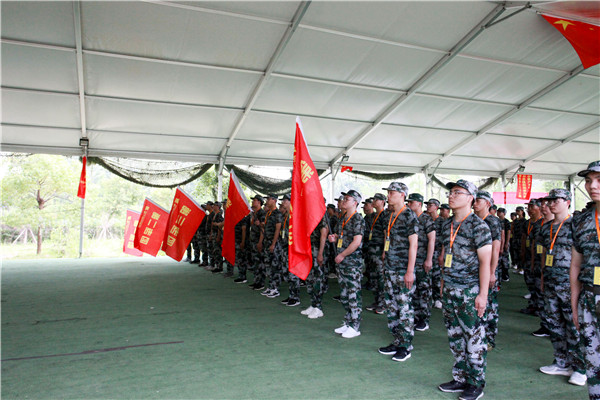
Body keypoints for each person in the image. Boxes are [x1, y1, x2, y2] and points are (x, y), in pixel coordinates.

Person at [438, 179, 491, 400]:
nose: (451, 196)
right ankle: (460, 377)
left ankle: (476, 383)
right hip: (450, 289)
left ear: (471, 198)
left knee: (474, 338)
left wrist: (483, 295)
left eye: (457, 192)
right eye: (450, 192)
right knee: (455, 336)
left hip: (470, 290)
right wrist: (443, 283)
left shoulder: (479, 226)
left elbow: (485, 263)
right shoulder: (447, 225)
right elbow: (445, 257)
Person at [539, 189, 586, 386]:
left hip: (569, 284)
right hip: (551, 282)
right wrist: (542, 277)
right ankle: (561, 362)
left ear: (567, 202)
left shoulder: (575, 225)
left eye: (555, 200)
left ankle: (580, 368)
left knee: (573, 326)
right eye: (549, 200)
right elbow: (544, 253)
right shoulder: (546, 227)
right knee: (554, 323)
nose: (551, 204)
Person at [377, 182, 418, 361]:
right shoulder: (389, 215)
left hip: (402, 269)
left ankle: (406, 345)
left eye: (392, 193)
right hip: (390, 267)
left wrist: (410, 271)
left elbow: (413, 245)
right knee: (391, 306)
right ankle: (397, 340)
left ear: (402, 195)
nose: (388, 196)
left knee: (404, 307)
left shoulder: (409, 215)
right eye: (388, 193)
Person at [570, 160, 600, 399]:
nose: (592, 186)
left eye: (599, 180)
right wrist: (575, 303)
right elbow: (576, 265)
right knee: (593, 360)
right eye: (589, 181)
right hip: (589, 296)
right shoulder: (581, 221)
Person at [329, 190, 365, 339]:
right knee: (344, 294)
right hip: (342, 263)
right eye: (344, 198)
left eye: (347, 199)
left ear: (355, 203)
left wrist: (342, 254)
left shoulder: (358, 219)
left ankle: (355, 325)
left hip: (352, 263)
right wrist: (335, 237)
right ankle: (349, 321)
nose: (343, 200)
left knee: (353, 294)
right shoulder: (343, 217)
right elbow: (342, 236)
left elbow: (356, 241)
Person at [474, 191, 502, 350]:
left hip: (489, 268)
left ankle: (489, 338)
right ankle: (478, 336)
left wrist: (492, 272)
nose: (475, 203)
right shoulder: (472, 220)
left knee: (489, 303)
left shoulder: (492, 221)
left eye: (479, 200)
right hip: (475, 269)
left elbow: (496, 248)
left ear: (488, 203)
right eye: (475, 200)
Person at [407, 193, 435, 332]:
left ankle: (424, 319)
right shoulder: (409, 218)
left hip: (422, 259)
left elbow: (432, 239)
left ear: (419, 204)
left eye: (411, 202)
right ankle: (416, 317)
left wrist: (429, 259)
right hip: (411, 260)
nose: (408, 205)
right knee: (413, 290)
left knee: (424, 290)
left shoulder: (426, 219)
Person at [302, 198, 329, 319]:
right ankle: (313, 304)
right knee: (310, 278)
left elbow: (324, 234)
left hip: (317, 250)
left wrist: (320, 253)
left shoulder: (322, 215)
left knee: (318, 278)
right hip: (309, 250)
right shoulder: (310, 215)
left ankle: (318, 307)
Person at [365, 193, 388, 314]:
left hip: (379, 250)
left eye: (376, 200)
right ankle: (377, 301)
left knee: (381, 277)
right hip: (372, 250)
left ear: (383, 202)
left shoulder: (384, 215)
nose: (374, 201)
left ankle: (383, 303)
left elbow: (386, 234)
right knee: (374, 277)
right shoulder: (374, 215)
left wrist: (384, 251)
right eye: (373, 199)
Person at [278, 194, 301, 307]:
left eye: (285, 200)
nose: (283, 202)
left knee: (293, 274)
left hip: (293, 249)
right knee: (287, 273)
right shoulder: (286, 216)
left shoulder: (295, 215)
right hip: (285, 248)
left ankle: (295, 297)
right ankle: (291, 295)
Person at [521, 200, 542, 315]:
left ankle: (539, 307)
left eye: (531, 207)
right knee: (529, 279)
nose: (529, 210)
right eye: (528, 208)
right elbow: (524, 238)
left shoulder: (544, 223)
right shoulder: (527, 223)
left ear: (539, 208)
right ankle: (533, 305)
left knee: (539, 283)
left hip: (540, 258)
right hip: (529, 256)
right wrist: (522, 252)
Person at [259, 194, 283, 298]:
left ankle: (275, 288)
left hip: (274, 243)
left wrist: (273, 244)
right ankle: (271, 286)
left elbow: (278, 229)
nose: (267, 201)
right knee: (268, 265)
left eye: (268, 199)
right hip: (267, 242)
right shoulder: (268, 213)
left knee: (275, 266)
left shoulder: (278, 213)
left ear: (274, 200)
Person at [433, 203, 451, 309]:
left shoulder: (444, 222)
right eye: (441, 209)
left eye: (444, 210)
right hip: (432, 250)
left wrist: (442, 254)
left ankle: (439, 298)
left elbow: (445, 239)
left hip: (440, 250)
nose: (442, 211)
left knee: (438, 275)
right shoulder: (432, 220)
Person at [248, 195, 267, 291]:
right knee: (256, 262)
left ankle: (261, 283)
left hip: (258, 241)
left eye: (254, 200)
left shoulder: (261, 213)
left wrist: (260, 242)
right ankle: (256, 281)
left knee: (260, 262)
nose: (252, 202)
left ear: (259, 202)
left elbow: (262, 229)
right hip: (253, 241)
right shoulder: (255, 213)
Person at [496, 208, 511, 282]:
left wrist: (506, 243)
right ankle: (500, 275)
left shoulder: (506, 222)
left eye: (500, 212)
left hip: (504, 242)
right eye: (498, 211)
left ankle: (505, 275)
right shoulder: (497, 220)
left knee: (505, 260)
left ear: (504, 213)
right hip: (499, 242)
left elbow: (508, 233)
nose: (498, 213)